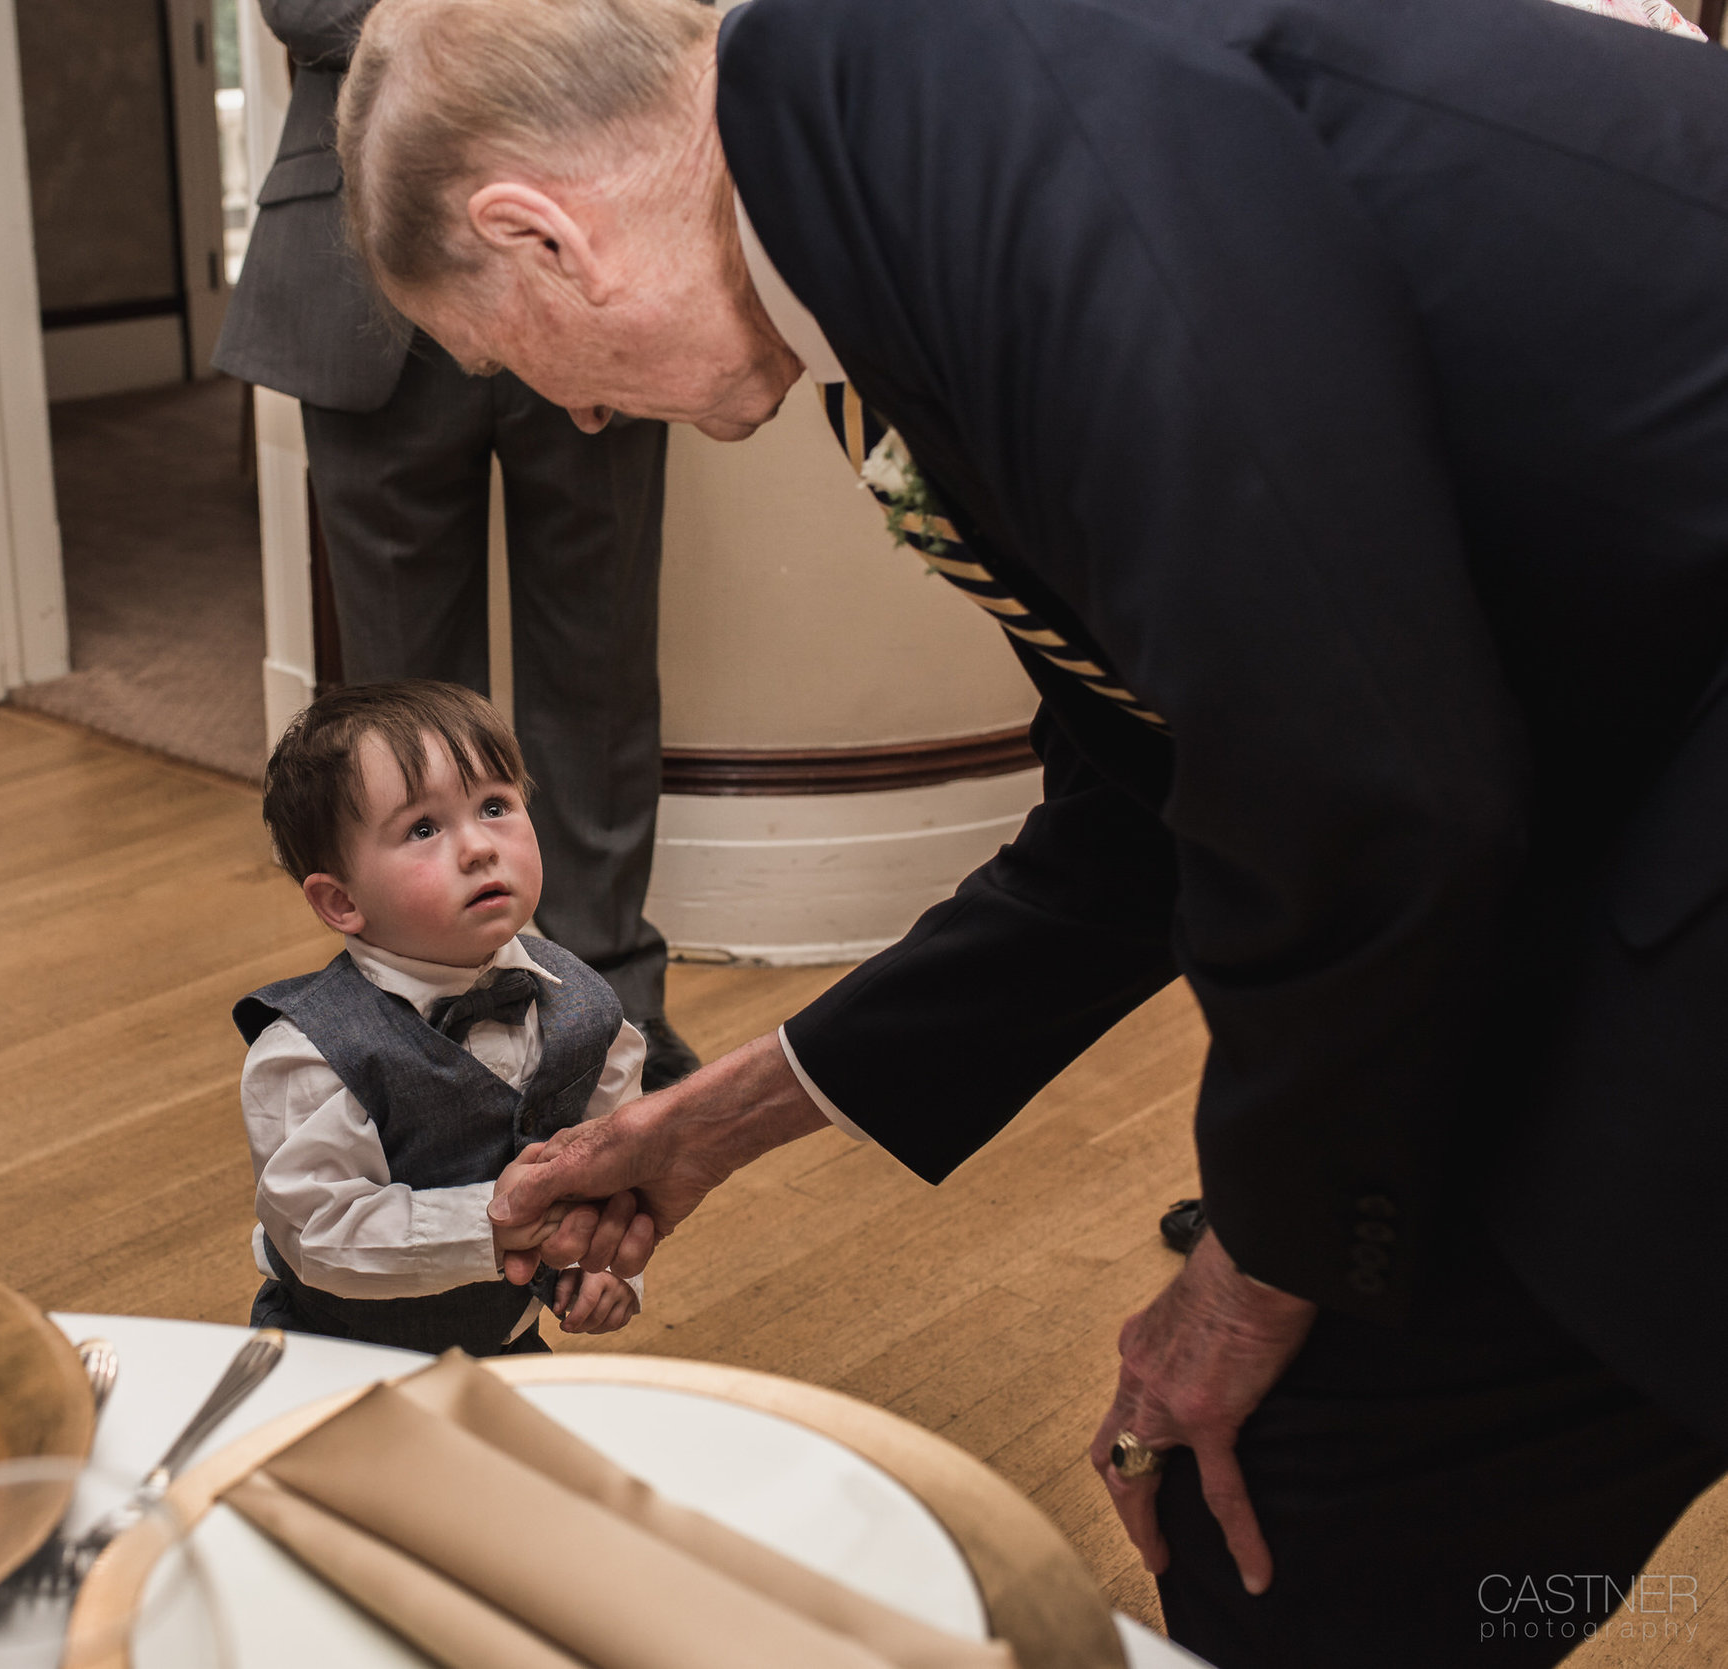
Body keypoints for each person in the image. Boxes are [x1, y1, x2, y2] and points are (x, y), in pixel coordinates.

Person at [324, 0, 1728, 1662]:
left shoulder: (955, 85)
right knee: (1318, 1481)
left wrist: (1255, 1273)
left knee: (1325, 1497)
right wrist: (716, 1118)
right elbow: (1146, 800)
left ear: (543, 238)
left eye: (510, 360)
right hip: (1619, 736)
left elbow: (1360, 778)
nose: (574, 419)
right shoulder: (887, 171)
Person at [213, 0, 699, 1091]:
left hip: (587, 243)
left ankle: (612, 999)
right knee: (401, 712)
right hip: (356, 262)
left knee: (602, 658)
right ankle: (431, 1011)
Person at [238, 681, 646, 1354]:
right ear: (341, 900)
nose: (480, 847)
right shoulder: (312, 1053)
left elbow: (613, 1162)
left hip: (507, 1341)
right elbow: (319, 1231)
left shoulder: (584, 1004)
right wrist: (491, 1225)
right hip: (337, 1351)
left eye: (495, 805)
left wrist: (600, 1263)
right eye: (423, 828)